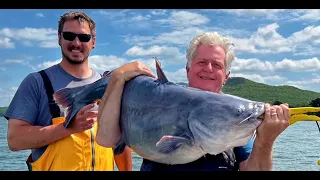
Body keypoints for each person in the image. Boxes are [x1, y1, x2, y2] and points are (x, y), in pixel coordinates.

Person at [95, 32, 290, 171]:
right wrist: (117, 78)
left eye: (217, 65)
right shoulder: (158, 97)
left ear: (226, 76)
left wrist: (266, 140)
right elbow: (106, 139)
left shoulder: (234, 119)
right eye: (202, 62)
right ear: (188, 70)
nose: (209, 69)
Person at [4, 11, 132, 171]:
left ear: (93, 41)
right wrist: (68, 128)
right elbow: (14, 140)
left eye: (84, 37)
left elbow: (118, 142)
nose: (76, 43)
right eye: (69, 36)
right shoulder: (37, 82)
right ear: (59, 38)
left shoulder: (110, 85)